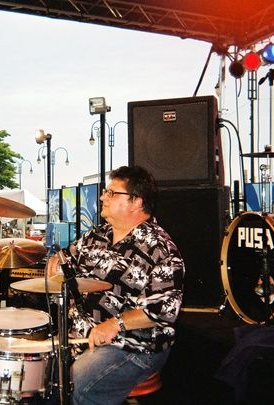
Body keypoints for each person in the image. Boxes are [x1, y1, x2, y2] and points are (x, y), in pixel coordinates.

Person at [48, 165, 185, 404]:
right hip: (80, 336)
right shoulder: (96, 236)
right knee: (42, 376)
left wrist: (114, 324)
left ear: (136, 202)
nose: (103, 197)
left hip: (133, 345)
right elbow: (65, 264)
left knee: (79, 382)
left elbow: (162, 310)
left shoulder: (159, 248)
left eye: (111, 193)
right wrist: (55, 264)